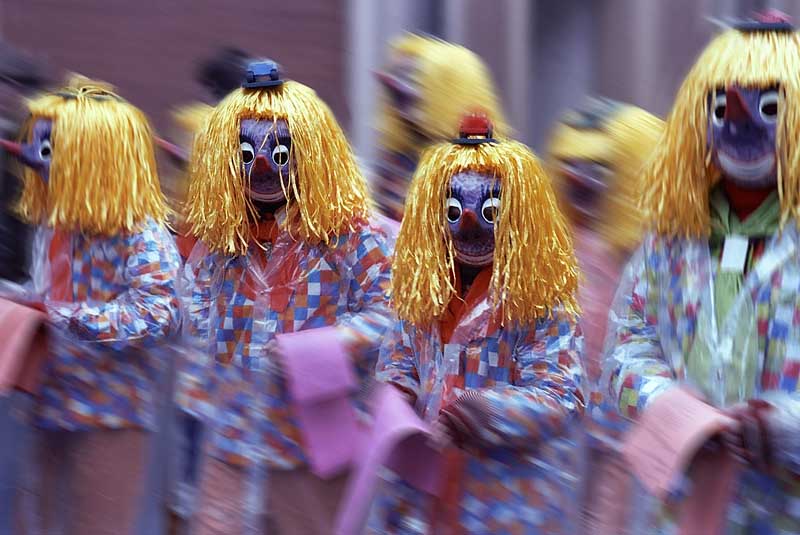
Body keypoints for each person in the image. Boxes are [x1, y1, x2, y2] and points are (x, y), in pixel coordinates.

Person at [602, 11, 800, 532]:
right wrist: (668, 408)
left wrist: (788, 430)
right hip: (687, 510)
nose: (739, 120)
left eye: (770, 106)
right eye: (720, 105)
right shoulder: (672, 240)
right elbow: (625, 351)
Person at [178, 60, 393, 534]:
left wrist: (325, 347)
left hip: (313, 441)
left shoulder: (352, 234)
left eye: (278, 153)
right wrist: (201, 372)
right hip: (233, 437)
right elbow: (197, 307)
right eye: (245, 152)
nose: (260, 167)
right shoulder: (223, 233)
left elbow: (394, 315)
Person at [368, 113, 585, 534]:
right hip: (422, 495)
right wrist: (395, 396)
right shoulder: (420, 290)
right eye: (455, 210)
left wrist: (484, 409)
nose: (470, 225)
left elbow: (560, 397)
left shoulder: (541, 298)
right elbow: (398, 362)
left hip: (506, 506)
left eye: (489, 210)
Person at [1, 76, 180, 534]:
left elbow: (161, 314)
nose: (33, 163)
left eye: (49, 153)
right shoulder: (56, 227)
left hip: (110, 413)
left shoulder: (143, 235)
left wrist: (71, 319)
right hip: (48, 402)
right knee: (38, 523)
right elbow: (48, 293)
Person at [547, 98, 664, 531]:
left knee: (612, 509)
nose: (579, 179)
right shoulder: (561, 242)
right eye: (571, 165)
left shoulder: (650, 252)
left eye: (597, 169)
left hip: (622, 411)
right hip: (566, 406)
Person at [372, 34, 507, 224]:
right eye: (394, 95)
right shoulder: (397, 161)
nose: (401, 108)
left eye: (409, 96)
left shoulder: (488, 171)